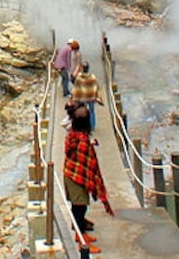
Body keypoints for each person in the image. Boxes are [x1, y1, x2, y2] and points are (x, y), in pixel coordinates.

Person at [63, 102, 113, 254]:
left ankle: (81, 232)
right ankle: (81, 240)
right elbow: (87, 163)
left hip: (71, 174)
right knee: (80, 207)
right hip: (76, 177)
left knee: (79, 206)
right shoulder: (82, 140)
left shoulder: (74, 134)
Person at [71, 61, 103, 131]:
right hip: (91, 97)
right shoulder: (92, 77)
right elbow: (96, 87)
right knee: (92, 111)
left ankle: (85, 125)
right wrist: (96, 96)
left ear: (82, 68)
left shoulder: (79, 77)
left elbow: (76, 87)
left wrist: (75, 98)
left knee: (84, 111)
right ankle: (92, 126)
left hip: (82, 98)